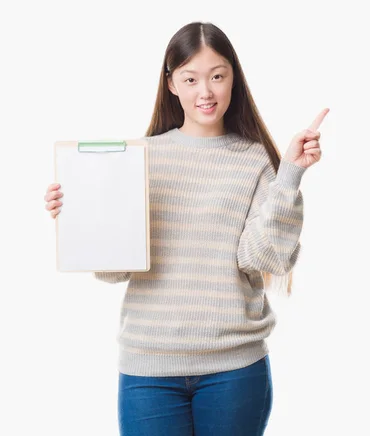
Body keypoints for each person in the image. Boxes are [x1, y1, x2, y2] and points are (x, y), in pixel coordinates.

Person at [44, 21, 328, 436]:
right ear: (172, 84)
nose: (205, 92)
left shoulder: (254, 161)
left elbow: (263, 258)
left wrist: (289, 177)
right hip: (148, 370)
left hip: (234, 368)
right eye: (190, 79)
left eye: (217, 76)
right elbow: (112, 269)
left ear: (234, 78)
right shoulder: (140, 158)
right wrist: (74, 217)